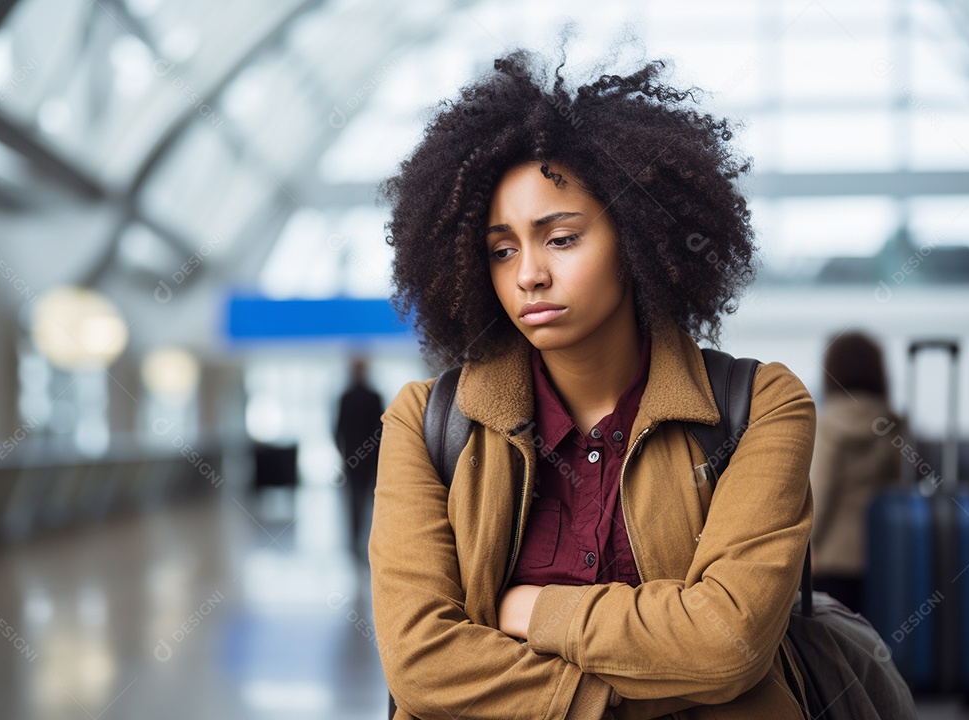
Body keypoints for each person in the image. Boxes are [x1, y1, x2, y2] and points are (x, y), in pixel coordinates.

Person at [370, 47, 815, 720]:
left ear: (640, 237)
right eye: (502, 249)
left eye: (562, 238)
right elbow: (421, 662)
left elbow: (728, 642)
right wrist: (607, 702)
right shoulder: (426, 421)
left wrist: (534, 610)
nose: (528, 275)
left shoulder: (759, 407)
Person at [809, 332, 901, 614]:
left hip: (831, 558)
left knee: (838, 645)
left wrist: (806, 548)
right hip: (883, 552)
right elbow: (898, 487)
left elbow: (819, 494)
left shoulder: (828, 424)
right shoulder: (893, 424)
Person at [334, 356, 384, 564]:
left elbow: (337, 432)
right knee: (369, 502)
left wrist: (345, 454)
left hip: (355, 460)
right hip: (367, 460)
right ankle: (367, 544)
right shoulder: (371, 397)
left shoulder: (348, 397)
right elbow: (382, 431)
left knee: (359, 503)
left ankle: (358, 545)